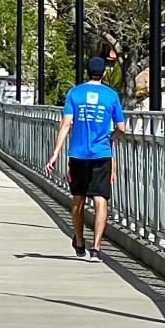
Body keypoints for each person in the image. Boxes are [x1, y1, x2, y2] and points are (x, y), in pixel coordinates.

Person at [46, 54, 125, 260]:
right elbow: (122, 128)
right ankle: (96, 248)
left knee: (78, 199)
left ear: (87, 72)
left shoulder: (75, 93)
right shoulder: (111, 95)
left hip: (78, 154)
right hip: (102, 153)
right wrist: (111, 138)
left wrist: (55, 154)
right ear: (104, 73)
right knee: (101, 200)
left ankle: (80, 241)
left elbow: (65, 124)